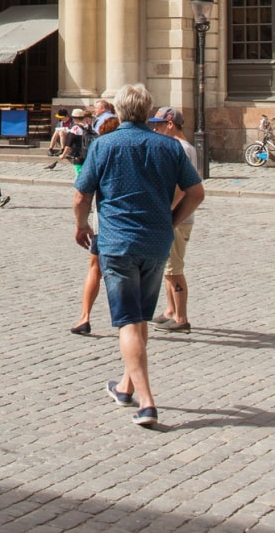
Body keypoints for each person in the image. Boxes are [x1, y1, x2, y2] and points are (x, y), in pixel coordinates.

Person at [74, 82, 204, 428]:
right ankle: (124, 386)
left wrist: (81, 225)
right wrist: (171, 221)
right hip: (156, 242)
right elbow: (196, 192)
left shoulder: (104, 145)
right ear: (148, 112)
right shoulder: (169, 146)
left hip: (118, 243)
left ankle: (146, 403)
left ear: (118, 111)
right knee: (141, 317)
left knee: (128, 321)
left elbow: (81, 195)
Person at [149, 106, 200, 334]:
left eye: (158, 124)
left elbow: (182, 187)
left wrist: (167, 210)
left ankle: (181, 317)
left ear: (170, 124)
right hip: (179, 216)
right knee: (168, 267)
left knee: (173, 268)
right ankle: (170, 310)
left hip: (178, 216)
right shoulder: (183, 146)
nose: (154, 129)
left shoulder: (179, 147)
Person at [70, 109, 119, 334]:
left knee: (95, 268)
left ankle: (84, 317)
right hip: (135, 226)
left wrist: (81, 224)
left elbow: (82, 194)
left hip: (104, 223)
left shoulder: (100, 150)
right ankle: (133, 321)